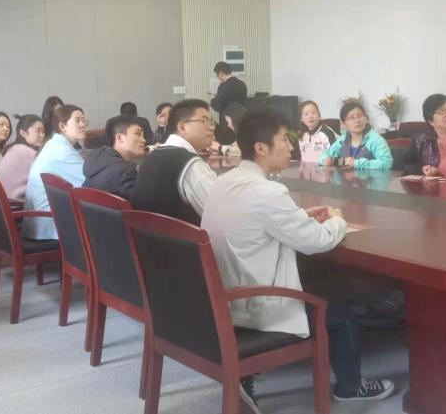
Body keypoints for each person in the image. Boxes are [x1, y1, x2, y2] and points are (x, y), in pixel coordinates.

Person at [201, 108, 395, 411]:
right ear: (261, 148)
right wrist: (338, 218)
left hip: (224, 296)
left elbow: (253, 221)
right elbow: (318, 242)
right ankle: (351, 386)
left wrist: (299, 216)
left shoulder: (225, 181)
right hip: (256, 302)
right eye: (284, 140)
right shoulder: (268, 191)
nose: (291, 146)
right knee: (338, 307)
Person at [128, 99, 216, 225]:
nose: (212, 127)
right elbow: (221, 215)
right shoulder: (190, 164)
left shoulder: (153, 156)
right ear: (182, 127)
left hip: (147, 235)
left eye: (212, 122)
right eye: (205, 121)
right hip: (183, 237)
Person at [24, 105, 87, 240]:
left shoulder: (53, 144)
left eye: (84, 120)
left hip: (39, 223)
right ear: (62, 126)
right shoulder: (62, 151)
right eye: (77, 120)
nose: (83, 124)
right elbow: (90, 183)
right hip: (49, 225)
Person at [82, 114, 147, 198]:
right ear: (119, 138)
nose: (144, 140)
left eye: (143, 136)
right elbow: (143, 202)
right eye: (138, 134)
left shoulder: (95, 161)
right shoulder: (126, 171)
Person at [318, 100, 392, 170]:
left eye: (360, 116)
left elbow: (387, 163)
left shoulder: (375, 139)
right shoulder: (343, 139)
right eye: (351, 118)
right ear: (343, 123)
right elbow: (325, 154)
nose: (357, 120)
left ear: (366, 118)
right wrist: (325, 160)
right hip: (345, 178)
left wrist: (356, 163)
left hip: (370, 179)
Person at [0, 114, 47, 200]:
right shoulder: (27, 152)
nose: (42, 135)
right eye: (38, 131)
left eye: (43, 132)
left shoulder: (13, 148)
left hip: (6, 201)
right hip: (17, 204)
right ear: (23, 133)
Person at [210, 61, 248, 126]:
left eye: (217, 74)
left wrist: (213, 99)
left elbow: (217, 107)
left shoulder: (223, 86)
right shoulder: (242, 84)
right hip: (240, 120)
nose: (217, 77)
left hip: (227, 122)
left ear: (221, 73)